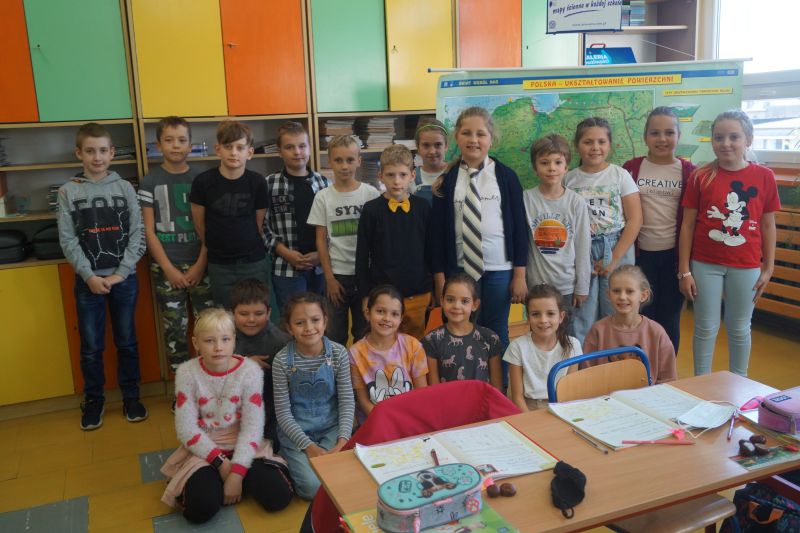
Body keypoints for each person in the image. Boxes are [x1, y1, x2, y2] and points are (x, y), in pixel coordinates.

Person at [161, 308, 292, 523]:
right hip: (205, 449)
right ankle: (217, 481)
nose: (218, 347)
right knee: (200, 510)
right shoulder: (187, 373)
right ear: (196, 343)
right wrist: (221, 464)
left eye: (225, 339)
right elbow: (186, 429)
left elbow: (252, 427)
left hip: (246, 446)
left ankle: (235, 481)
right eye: (209, 341)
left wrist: (237, 473)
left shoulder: (249, 370)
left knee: (278, 497)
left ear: (233, 340)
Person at [57, 122, 147, 430]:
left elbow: (137, 233)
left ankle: (131, 397)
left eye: (103, 151)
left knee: (127, 342)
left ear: (112, 153)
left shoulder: (125, 188)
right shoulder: (69, 191)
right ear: (79, 154)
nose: (97, 157)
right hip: (88, 282)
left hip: (124, 280)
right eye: (90, 151)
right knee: (91, 347)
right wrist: (89, 276)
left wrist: (121, 273)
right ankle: (94, 400)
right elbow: (68, 239)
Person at [678, 110, 779, 376]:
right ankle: (701, 384)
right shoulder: (701, 176)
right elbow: (687, 225)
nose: (726, 143)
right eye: (719, 137)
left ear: (749, 140)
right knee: (705, 327)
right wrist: (685, 270)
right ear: (712, 140)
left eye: (734, 137)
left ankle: (739, 383)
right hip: (705, 264)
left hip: (746, 266)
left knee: (739, 328)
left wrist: (768, 268)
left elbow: (768, 225)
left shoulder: (764, 176)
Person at [431, 106, 528, 364]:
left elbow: (519, 229)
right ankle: (466, 381)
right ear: (457, 137)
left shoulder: (506, 177)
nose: (473, 139)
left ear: (491, 139)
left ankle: (498, 383)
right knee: (461, 330)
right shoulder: (447, 180)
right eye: (467, 133)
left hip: (499, 270)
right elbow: (436, 235)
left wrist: (520, 275)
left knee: (496, 331)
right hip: (459, 270)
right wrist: (440, 278)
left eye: (481, 134)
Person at [139, 116, 213, 378]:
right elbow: (149, 230)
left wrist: (200, 264)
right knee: (174, 330)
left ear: (190, 145)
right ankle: (182, 386)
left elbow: (210, 228)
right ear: (158, 145)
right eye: (169, 140)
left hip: (201, 264)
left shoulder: (201, 179)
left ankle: (210, 381)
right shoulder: (150, 181)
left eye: (182, 140)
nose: (176, 145)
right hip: (165, 267)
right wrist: (168, 269)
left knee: (208, 327)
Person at [623, 106, 696, 354]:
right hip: (640, 257)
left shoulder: (690, 172)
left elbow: (691, 222)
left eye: (669, 132)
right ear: (645, 136)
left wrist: (685, 269)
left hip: (673, 258)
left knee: (669, 317)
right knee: (640, 316)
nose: (662, 139)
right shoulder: (631, 168)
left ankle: (666, 370)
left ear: (679, 136)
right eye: (655, 133)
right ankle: (641, 369)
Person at [565, 117, 642, 343]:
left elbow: (635, 219)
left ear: (609, 145)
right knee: (583, 310)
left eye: (601, 142)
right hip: (583, 249)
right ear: (577, 145)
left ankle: (616, 358)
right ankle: (582, 360)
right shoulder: (569, 179)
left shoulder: (620, 175)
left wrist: (614, 258)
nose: (595, 147)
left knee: (617, 306)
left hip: (617, 245)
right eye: (588, 142)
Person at [272, 292, 355, 500]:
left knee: (346, 480)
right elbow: (283, 414)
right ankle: (288, 459)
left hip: (331, 430)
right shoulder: (281, 361)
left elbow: (346, 402)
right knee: (312, 488)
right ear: (289, 327)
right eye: (300, 323)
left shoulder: (339, 353)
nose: (309, 328)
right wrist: (309, 447)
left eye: (315, 320)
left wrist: (342, 441)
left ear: (325, 321)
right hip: (297, 433)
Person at [308, 135, 379, 345]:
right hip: (336, 275)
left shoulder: (371, 193)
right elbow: (321, 240)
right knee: (334, 334)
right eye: (338, 160)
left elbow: (378, 238)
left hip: (365, 274)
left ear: (359, 160)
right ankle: (337, 367)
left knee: (363, 332)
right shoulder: (323, 197)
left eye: (350, 160)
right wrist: (329, 278)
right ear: (329, 162)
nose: (344, 166)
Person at [355, 145, 432, 339]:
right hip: (383, 295)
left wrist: (433, 289)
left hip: (418, 293)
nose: (397, 181)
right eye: (390, 175)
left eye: (402, 175)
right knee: (384, 343)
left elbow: (432, 251)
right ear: (380, 176)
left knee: (414, 344)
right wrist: (365, 296)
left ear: (412, 175)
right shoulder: (371, 210)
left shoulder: (423, 207)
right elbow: (362, 256)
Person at [189, 120, 268, 309]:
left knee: (255, 312)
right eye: (228, 146)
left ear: (250, 152)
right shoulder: (203, 182)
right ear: (218, 149)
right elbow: (200, 225)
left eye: (240, 147)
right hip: (219, 264)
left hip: (253, 261)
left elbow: (258, 223)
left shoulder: (258, 182)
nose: (234, 152)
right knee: (225, 315)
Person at [523, 134, 591, 338]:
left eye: (557, 162)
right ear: (535, 168)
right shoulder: (525, 199)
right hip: (536, 286)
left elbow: (582, 246)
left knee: (566, 338)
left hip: (566, 287)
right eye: (544, 163)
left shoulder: (576, 202)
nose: (551, 168)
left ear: (566, 167)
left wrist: (582, 287)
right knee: (539, 335)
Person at [264, 121, 330, 310]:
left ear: (310, 148)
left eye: (302, 146)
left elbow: (332, 225)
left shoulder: (323, 183)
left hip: (321, 266)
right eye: (289, 147)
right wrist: (285, 252)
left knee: (320, 316)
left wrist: (321, 254)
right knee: (293, 317)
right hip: (286, 268)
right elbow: (262, 227)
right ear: (279, 151)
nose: (297, 152)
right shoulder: (269, 184)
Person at [581, 265, 677, 384]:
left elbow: (668, 380)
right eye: (616, 291)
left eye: (630, 291)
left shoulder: (657, 332)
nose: (622, 297)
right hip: (604, 395)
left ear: (643, 295)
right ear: (608, 294)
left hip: (648, 395)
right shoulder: (598, 331)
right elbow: (587, 376)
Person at [349, 285, 428, 420]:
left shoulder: (413, 346)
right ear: (367, 313)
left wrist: (405, 421)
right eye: (380, 311)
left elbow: (422, 394)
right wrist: (385, 421)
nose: (387, 318)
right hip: (375, 420)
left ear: (401, 318)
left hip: (409, 418)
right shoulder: (355, 352)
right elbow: (363, 401)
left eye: (394, 314)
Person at [231, 278, 291, 445]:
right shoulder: (224, 339)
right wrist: (243, 365)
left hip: (273, 411)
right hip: (233, 412)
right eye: (244, 314)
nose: (251, 319)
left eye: (258, 314)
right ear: (232, 313)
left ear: (269, 313)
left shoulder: (282, 341)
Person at [504, 284, 581, 411]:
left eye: (550, 313)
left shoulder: (573, 345)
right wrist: (530, 419)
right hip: (529, 408)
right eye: (535, 314)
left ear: (561, 317)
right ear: (528, 317)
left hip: (562, 405)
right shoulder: (517, 347)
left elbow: (571, 390)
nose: (543, 320)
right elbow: (517, 397)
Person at [422, 273, 502, 389]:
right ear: (442, 301)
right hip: (447, 401)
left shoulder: (490, 338)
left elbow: (496, 389)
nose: (456, 306)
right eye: (450, 299)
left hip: (481, 401)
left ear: (475, 305)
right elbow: (434, 390)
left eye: (464, 301)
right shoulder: (431, 341)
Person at [410, 117, 449, 205]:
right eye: (426, 145)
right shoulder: (411, 179)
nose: (432, 151)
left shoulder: (455, 173)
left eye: (438, 145)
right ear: (418, 147)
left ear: (446, 146)